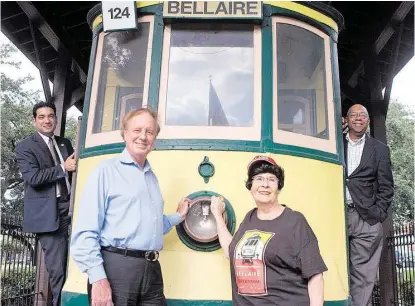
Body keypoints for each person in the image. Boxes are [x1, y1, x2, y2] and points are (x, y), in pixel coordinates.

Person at [71, 108, 190, 306]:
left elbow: (148, 226)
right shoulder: (105, 171)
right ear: (125, 133)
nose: (143, 137)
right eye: (137, 130)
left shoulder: (151, 178)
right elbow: (85, 232)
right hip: (116, 268)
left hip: (151, 269)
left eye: (150, 132)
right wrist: (98, 279)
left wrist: (178, 216)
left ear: (155, 138)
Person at [210, 156, 327, 306]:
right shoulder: (249, 218)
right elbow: (230, 252)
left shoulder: (295, 221)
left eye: (271, 179)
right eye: (259, 178)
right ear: (250, 186)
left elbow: (315, 274)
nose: (265, 184)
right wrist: (218, 216)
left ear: (278, 187)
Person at [15, 101, 76, 306]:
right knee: (58, 270)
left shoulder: (64, 143)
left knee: (75, 265)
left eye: (50, 116)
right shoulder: (25, 146)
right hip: (49, 215)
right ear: (34, 121)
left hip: (72, 209)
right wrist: (63, 167)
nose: (47, 120)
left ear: (56, 119)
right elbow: (33, 178)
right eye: (41, 117)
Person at [343, 104, 394, 306]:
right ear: (346, 119)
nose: (358, 118)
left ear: (368, 121)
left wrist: (378, 213)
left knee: (363, 274)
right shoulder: (335, 144)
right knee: (332, 265)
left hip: (366, 217)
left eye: (362, 115)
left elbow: (386, 186)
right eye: (353, 115)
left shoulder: (380, 149)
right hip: (335, 213)